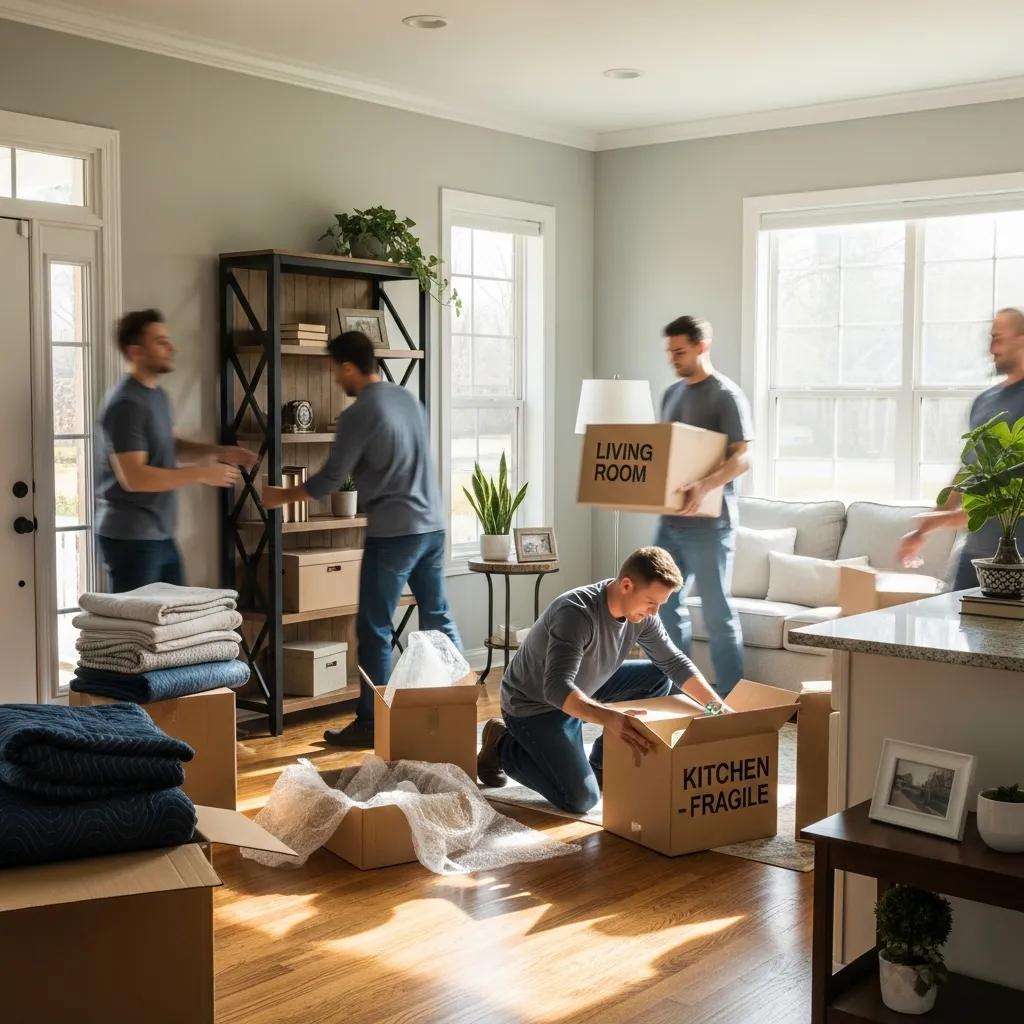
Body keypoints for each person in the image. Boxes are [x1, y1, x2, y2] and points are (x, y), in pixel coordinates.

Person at [263, 330, 461, 748]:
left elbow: (331, 478)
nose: (336, 379)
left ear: (349, 367)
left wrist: (282, 496)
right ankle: (455, 708)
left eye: (337, 370)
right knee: (437, 618)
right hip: (433, 526)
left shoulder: (359, 414)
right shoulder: (407, 398)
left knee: (373, 627)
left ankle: (372, 723)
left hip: (394, 534)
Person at [477, 546, 724, 814]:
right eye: (651, 602)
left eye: (659, 605)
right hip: (534, 707)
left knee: (656, 678)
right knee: (581, 799)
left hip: (584, 686)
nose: (654, 612)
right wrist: (609, 717)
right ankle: (502, 744)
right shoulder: (575, 613)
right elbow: (556, 689)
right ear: (627, 585)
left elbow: (674, 662)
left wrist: (717, 708)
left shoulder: (642, 617)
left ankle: (601, 764)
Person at [95, 309, 256, 592]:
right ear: (136, 352)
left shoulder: (155, 395)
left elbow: (171, 446)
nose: (172, 347)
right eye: (160, 342)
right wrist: (201, 474)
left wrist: (218, 451)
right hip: (131, 538)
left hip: (160, 535)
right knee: (138, 632)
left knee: (172, 628)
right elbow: (135, 477)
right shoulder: (126, 404)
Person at [653, 315, 753, 697]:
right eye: (670, 352)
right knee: (663, 607)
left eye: (680, 351)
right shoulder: (671, 395)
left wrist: (705, 485)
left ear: (702, 346)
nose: (673, 359)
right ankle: (679, 692)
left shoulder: (725, 395)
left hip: (711, 524)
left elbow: (743, 457)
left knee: (716, 613)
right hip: (671, 522)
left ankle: (731, 699)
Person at [899, 308, 1024, 587]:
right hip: (975, 557)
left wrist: (938, 523)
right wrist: (922, 530)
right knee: (961, 630)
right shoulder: (984, 401)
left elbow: (1009, 494)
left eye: (998, 338)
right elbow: (968, 472)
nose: (991, 348)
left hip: (1018, 561)